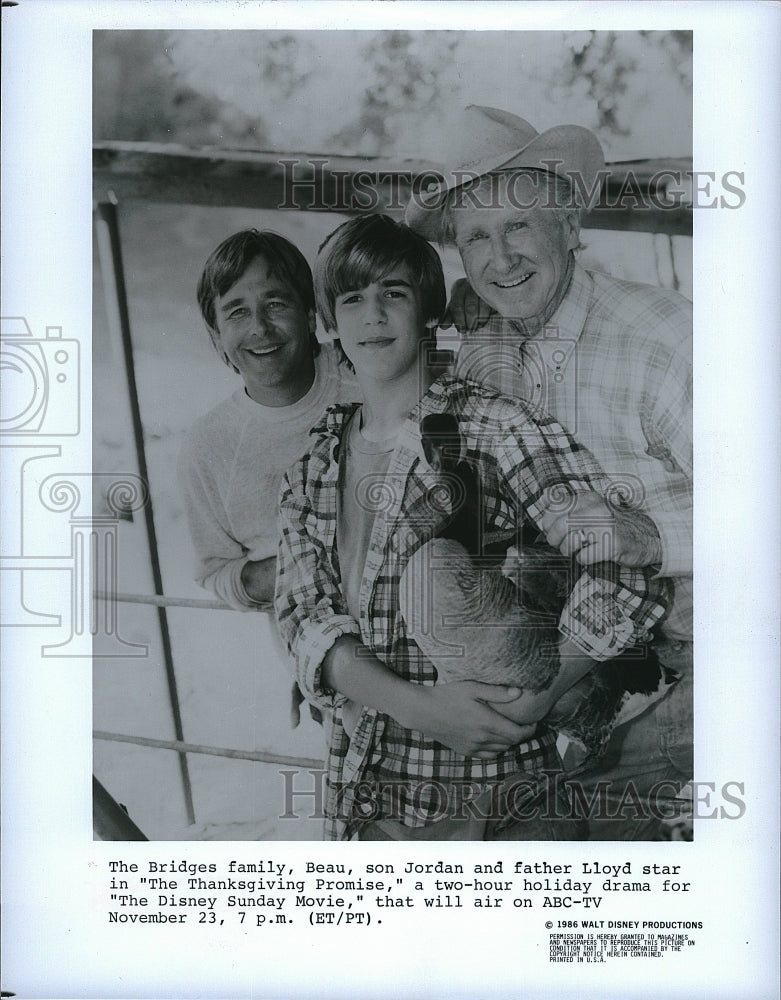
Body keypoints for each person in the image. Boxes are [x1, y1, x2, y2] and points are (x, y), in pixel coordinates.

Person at [274, 214, 668, 842]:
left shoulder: (497, 427)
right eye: (352, 300)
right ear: (329, 323)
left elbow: (630, 572)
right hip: (365, 798)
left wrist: (546, 690)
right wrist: (423, 710)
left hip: (499, 794)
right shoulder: (311, 470)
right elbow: (303, 620)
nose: (373, 316)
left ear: (430, 309)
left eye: (394, 294)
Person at [405, 105, 693, 838]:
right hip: (582, 670)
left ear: (567, 224)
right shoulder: (481, 357)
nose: (499, 258)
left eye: (519, 226)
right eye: (475, 236)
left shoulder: (665, 338)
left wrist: (653, 535)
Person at [178, 229, 358, 725]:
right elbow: (217, 573)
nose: (259, 327)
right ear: (216, 336)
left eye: (276, 303)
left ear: (310, 314)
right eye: (236, 311)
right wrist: (302, 567)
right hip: (332, 676)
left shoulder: (363, 367)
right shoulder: (207, 446)